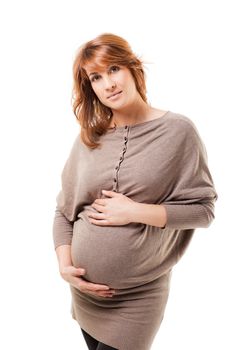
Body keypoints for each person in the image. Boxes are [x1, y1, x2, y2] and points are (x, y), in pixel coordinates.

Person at [52, 33, 218, 350]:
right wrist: (65, 266)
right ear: (91, 88)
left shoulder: (178, 131)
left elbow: (203, 211)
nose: (109, 84)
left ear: (133, 68)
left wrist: (133, 211)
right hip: (87, 295)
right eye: (96, 77)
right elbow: (64, 212)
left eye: (114, 69)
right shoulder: (90, 138)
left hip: (140, 295)